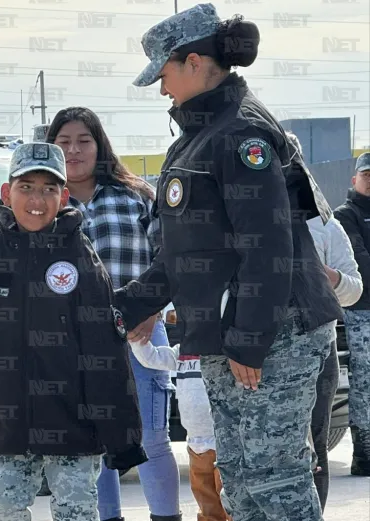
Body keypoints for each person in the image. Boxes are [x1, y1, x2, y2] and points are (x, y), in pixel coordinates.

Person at [113, 4, 343, 521]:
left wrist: (249, 339)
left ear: (194, 62)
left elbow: (268, 245)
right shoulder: (195, 140)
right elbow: (182, 254)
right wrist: (128, 308)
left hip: (272, 332)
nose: (162, 88)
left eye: (164, 74)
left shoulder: (240, 134)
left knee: (275, 475)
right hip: (225, 336)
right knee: (237, 475)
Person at [0, 142, 148, 521]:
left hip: (73, 424)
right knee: (6, 506)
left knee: (76, 510)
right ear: (6, 192)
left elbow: (106, 349)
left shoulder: (80, 257)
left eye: (48, 189)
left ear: (63, 197)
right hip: (13, 419)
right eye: (26, 187)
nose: (36, 199)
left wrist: (122, 433)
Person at [45, 107, 181, 521]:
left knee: (153, 440)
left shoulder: (137, 194)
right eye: (64, 142)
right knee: (94, 443)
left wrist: (153, 309)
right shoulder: (43, 203)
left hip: (141, 337)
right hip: (74, 344)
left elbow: (169, 255)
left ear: (99, 145)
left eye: (83, 140)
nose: (74, 150)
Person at [287, 132, 363, 507]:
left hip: (319, 356)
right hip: (258, 356)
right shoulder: (242, 224)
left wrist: (330, 277)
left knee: (314, 449)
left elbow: (354, 290)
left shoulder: (328, 226)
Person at [129, 292, 230, 521]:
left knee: (230, 501)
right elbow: (152, 358)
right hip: (195, 444)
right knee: (206, 501)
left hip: (223, 442)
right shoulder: (182, 352)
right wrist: (137, 340)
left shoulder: (224, 351)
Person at [333, 151, 370, 477]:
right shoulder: (346, 216)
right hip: (363, 313)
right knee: (366, 387)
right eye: (367, 175)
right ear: (354, 179)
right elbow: (360, 264)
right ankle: (365, 456)